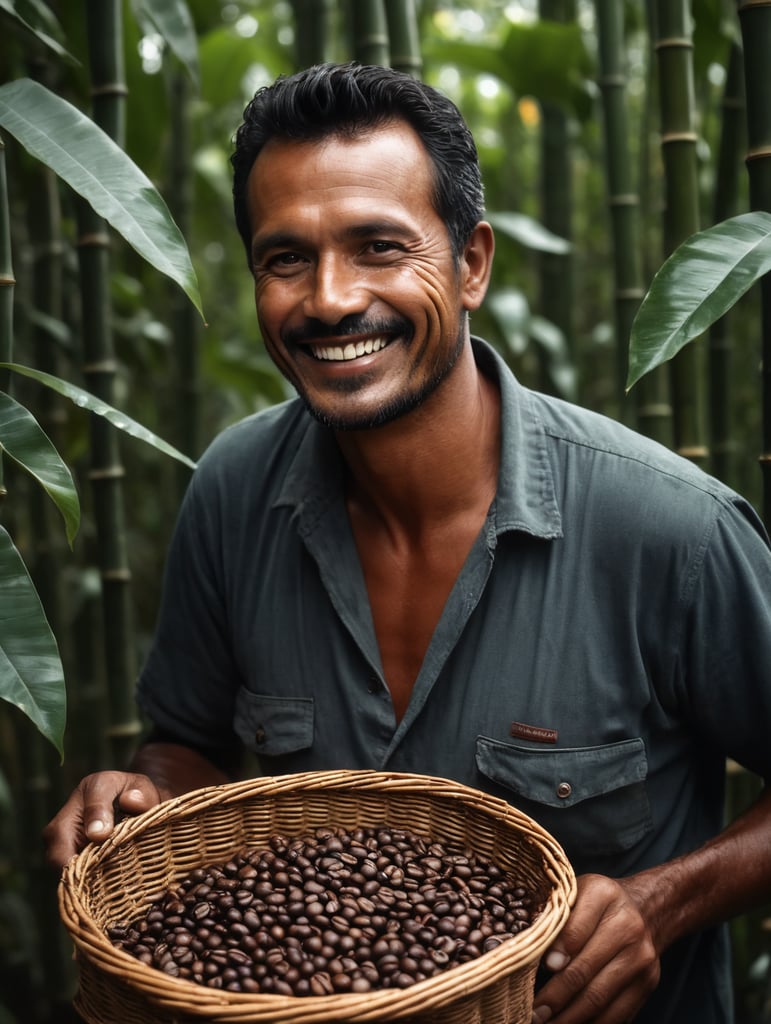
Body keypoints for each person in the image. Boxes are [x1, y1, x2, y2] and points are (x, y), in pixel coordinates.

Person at [44, 62, 771, 1024]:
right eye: (285, 259)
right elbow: (190, 745)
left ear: (471, 263)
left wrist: (660, 904)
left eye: (379, 247)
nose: (332, 300)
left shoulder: (670, 529)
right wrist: (139, 798)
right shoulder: (231, 490)